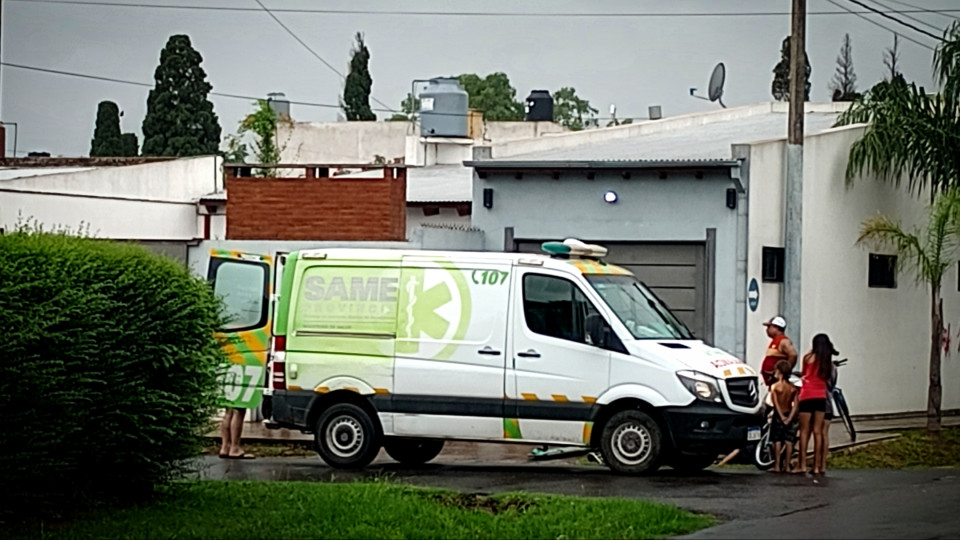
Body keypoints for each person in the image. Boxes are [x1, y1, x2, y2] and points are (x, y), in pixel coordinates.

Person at [796, 334, 837, 475]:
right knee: (818, 432)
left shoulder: (808, 358)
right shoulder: (827, 361)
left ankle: (801, 464)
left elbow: (803, 374)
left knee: (804, 431)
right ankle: (817, 466)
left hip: (807, 394)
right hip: (821, 396)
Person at [769, 359, 799, 473]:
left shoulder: (775, 387)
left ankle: (776, 465)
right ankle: (787, 465)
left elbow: (775, 403)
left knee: (777, 440)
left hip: (779, 415)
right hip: (789, 414)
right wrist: (789, 418)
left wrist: (781, 417)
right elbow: (795, 405)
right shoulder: (792, 388)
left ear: (780, 372)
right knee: (789, 440)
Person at [760, 316, 797, 388]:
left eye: (769, 327)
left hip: (778, 382)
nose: (767, 330)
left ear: (776, 327)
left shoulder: (783, 341)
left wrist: (785, 371)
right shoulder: (775, 341)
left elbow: (793, 354)